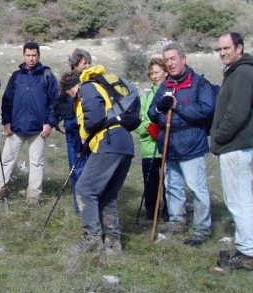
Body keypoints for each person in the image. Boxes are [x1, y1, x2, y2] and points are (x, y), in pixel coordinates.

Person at [148, 41, 215, 246]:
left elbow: (206, 110)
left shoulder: (199, 84)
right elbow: (151, 113)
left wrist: (178, 107)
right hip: (169, 145)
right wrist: (160, 107)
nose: (170, 64)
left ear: (183, 59)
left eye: (173, 59)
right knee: (172, 187)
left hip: (191, 145)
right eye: (167, 60)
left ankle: (202, 229)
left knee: (197, 188)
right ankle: (177, 223)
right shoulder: (165, 86)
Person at [68, 59, 136, 255]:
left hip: (109, 142)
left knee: (84, 188)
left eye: (71, 95)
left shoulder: (88, 87)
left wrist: (84, 140)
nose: (73, 99)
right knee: (107, 194)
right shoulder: (104, 85)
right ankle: (113, 245)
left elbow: (95, 118)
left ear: (75, 87)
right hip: (125, 143)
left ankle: (92, 240)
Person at [210, 32, 253, 270]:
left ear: (239, 48)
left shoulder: (242, 74)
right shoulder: (239, 71)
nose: (222, 52)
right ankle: (244, 247)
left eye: (227, 48)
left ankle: (249, 253)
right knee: (237, 199)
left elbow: (236, 114)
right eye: (220, 49)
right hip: (236, 146)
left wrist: (218, 138)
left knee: (239, 200)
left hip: (235, 146)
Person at [0, 42, 58, 206]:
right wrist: (6, 122)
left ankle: (32, 198)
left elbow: (55, 103)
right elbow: (7, 100)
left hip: (38, 129)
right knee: (7, 160)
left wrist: (50, 123)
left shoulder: (47, 76)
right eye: (28, 55)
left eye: (34, 55)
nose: (31, 58)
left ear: (39, 56)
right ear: (23, 55)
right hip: (16, 128)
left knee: (36, 163)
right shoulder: (16, 76)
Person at [53, 48, 92, 212]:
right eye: (85, 63)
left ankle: (91, 206)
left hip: (91, 133)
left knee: (91, 171)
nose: (88, 66)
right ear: (75, 64)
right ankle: (79, 208)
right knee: (76, 170)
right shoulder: (68, 83)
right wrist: (74, 111)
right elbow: (57, 106)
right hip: (73, 133)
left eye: (89, 62)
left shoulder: (92, 81)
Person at [135, 57, 168, 221]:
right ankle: (151, 213)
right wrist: (148, 127)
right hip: (149, 148)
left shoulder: (170, 92)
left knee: (169, 183)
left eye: (157, 72)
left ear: (166, 71)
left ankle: (169, 212)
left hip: (167, 147)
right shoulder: (145, 97)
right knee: (150, 183)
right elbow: (138, 121)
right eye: (152, 73)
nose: (154, 76)